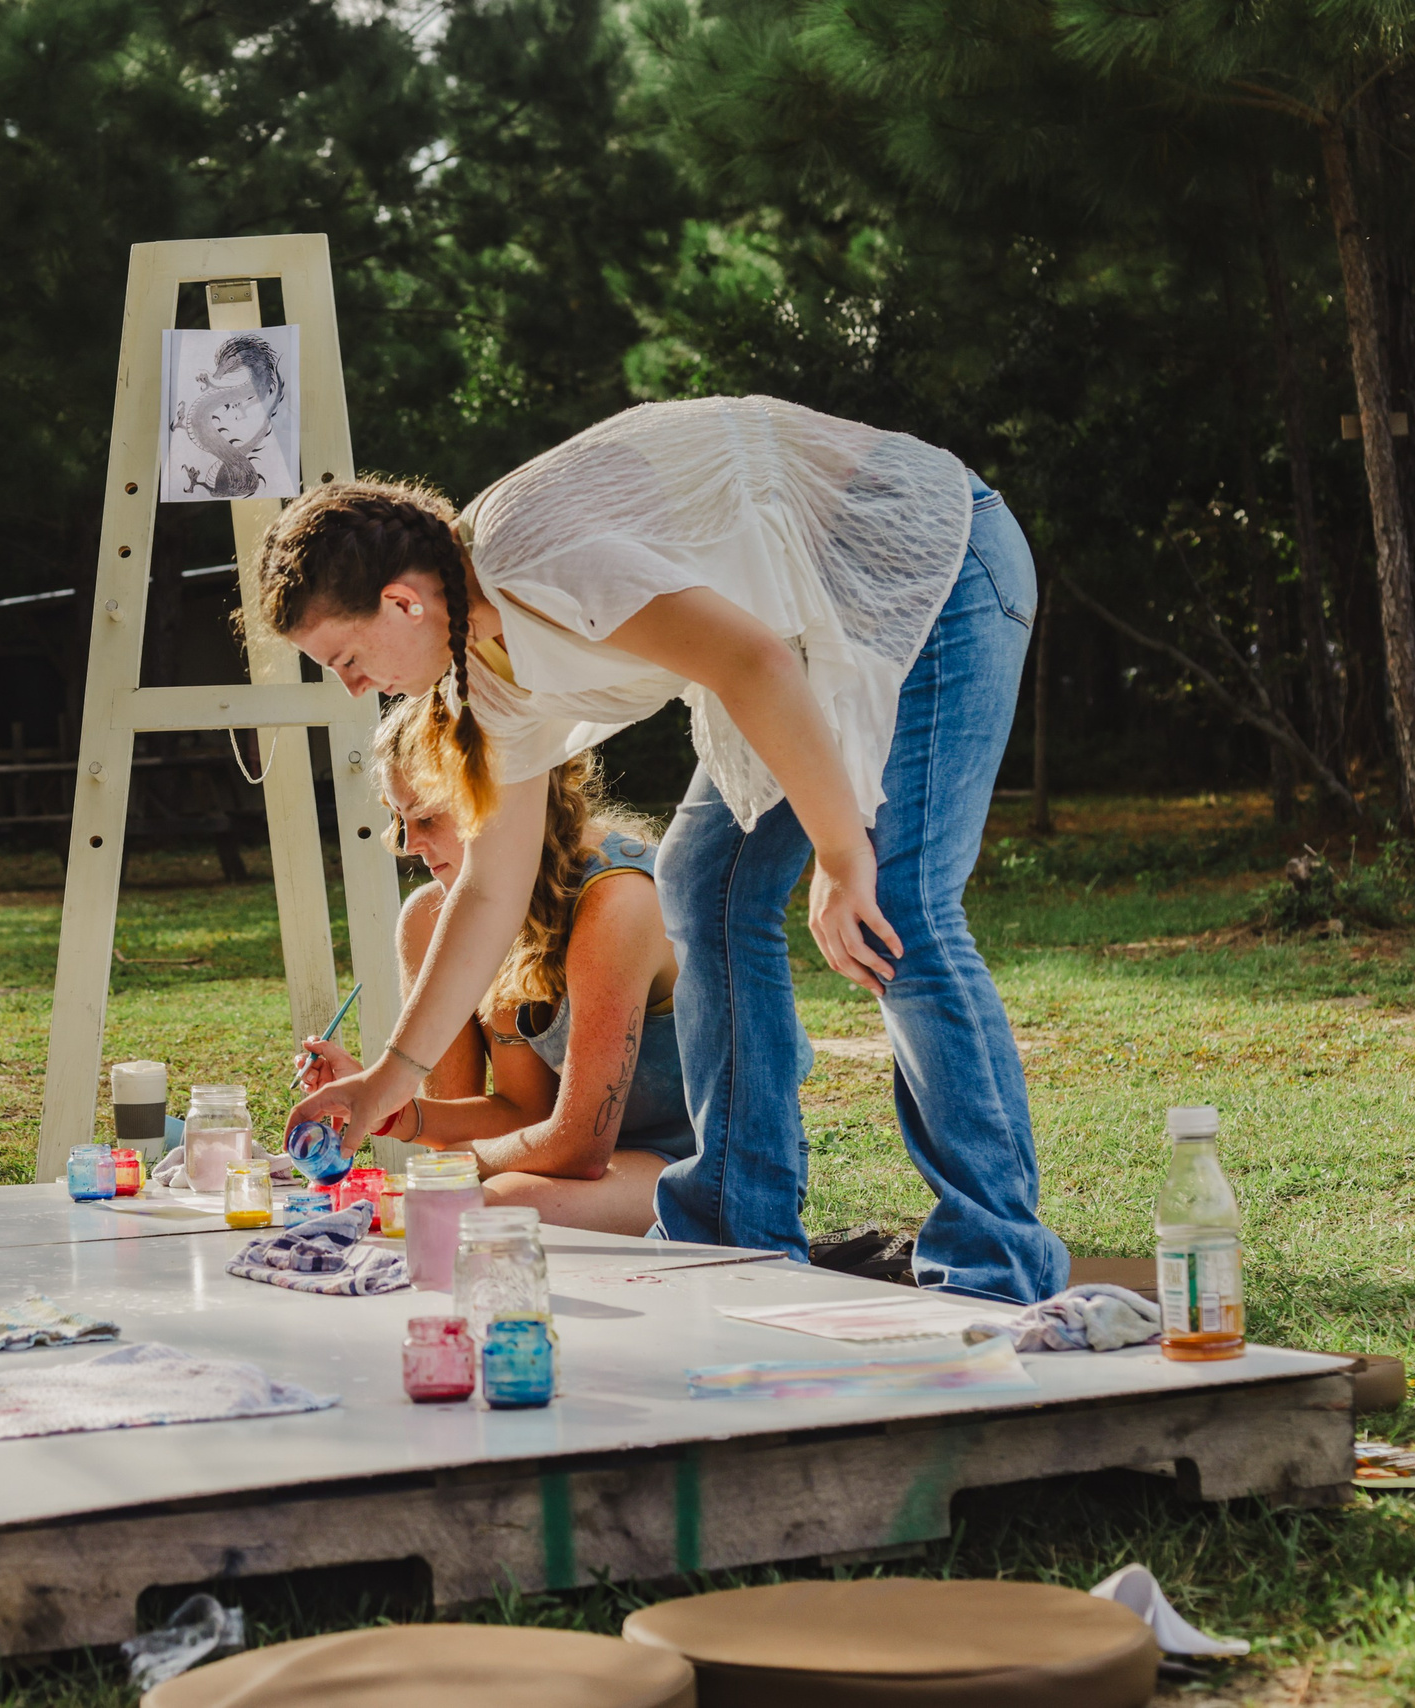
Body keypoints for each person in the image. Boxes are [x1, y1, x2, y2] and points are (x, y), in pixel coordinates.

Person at [269, 396, 1068, 1303]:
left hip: (926, 562)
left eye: (345, 658)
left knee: (900, 906)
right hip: (794, 634)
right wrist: (387, 1081)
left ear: (402, 601)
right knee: (703, 881)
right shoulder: (485, 672)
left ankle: (997, 1264)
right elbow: (491, 889)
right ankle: (739, 1228)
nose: (353, 687)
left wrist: (843, 858)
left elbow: (753, 665)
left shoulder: (534, 559)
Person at [296, 697, 700, 1235]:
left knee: (471, 1210)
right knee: (451, 1205)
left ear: (496, 798)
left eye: (427, 817)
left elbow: (578, 1147)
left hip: (692, 1163)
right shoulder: (433, 919)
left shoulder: (615, 903)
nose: (409, 844)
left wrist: (456, 1163)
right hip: (573, 1160)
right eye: (398, 818)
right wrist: (384, 1104)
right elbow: (521, 1112)